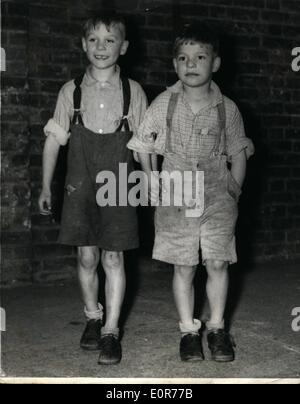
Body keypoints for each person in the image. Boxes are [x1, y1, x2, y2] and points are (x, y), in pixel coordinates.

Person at [127, 23, 255, 363]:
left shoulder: (227, 107)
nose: (191, 64)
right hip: (177, 188)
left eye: (200, 57)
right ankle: (188, 331)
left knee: (217, 261)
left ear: (215, 64)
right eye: (183, 58)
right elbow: (143, 144)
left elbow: (239, 152)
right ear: (175, 65)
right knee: (184, 266)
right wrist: (150, 179)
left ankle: (216, 328)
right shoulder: (164, 102)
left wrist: (234, 189)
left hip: (216, 191)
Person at [38, 13, 148, 365]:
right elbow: (54, 142)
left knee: (114, 256)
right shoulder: (71, 91)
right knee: (87, 256)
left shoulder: (134, 91)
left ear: (124, 46)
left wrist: (152, 180)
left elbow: (144, 143)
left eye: (110, 39)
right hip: (80, 182)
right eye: (94, 40)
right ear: (84, 44)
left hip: (119, 181)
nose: (102, 47)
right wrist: (45, 186)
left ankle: (111, 331)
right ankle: (92, 317)